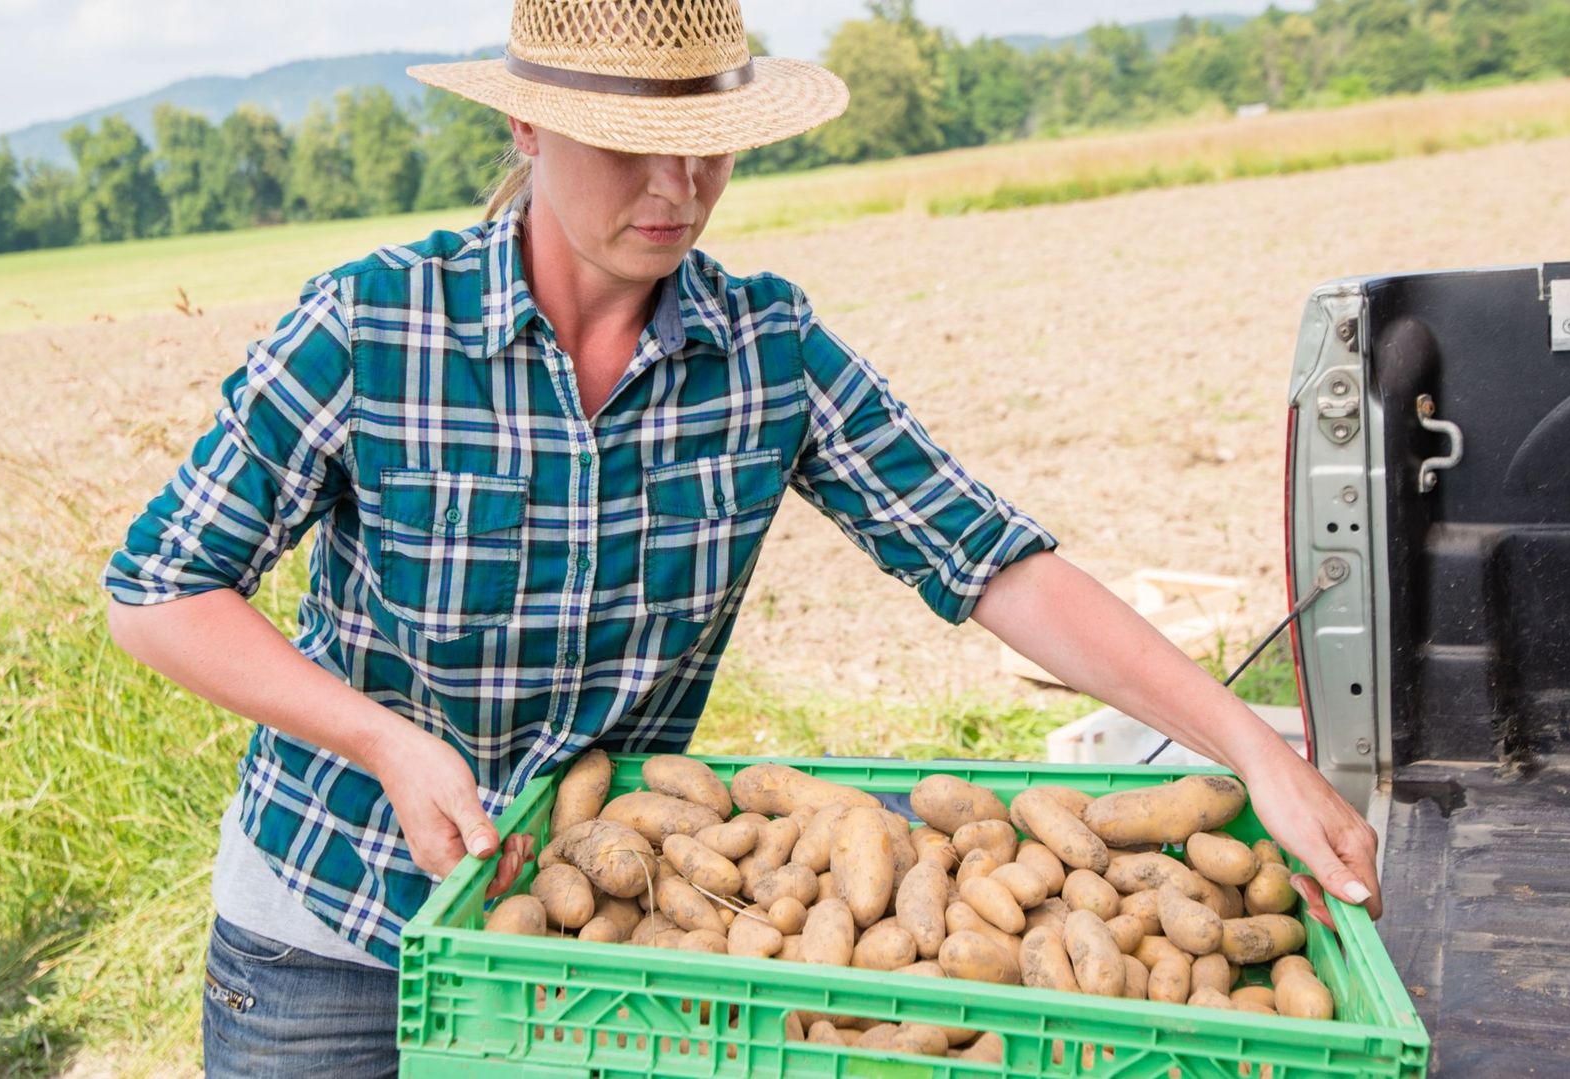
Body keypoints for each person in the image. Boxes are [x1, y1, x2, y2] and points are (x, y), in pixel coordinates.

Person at [101, 1, 1380, 1074]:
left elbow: (996, 562)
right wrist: (383, 738)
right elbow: (157, 588)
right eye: (631, 147)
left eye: (708, 147)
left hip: (604, 950)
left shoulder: (767, 352)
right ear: (527, 122)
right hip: (335, 936)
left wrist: (1245, 750)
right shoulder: (374, 327)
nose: (679, 190)